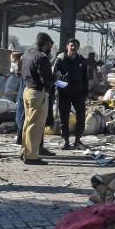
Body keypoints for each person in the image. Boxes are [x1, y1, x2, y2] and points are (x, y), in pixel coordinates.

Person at [20, 33, 55, 165]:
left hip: (27, 90)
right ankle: (31, 156)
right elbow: (46, 80)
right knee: (35, 126)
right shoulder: (42, 57)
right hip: (38, 94)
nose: (50, 47)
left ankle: (24, 151)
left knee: (27, 124)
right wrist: (55, 78)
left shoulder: (27, 54)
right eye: (50, 44)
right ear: (46, 43)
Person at [53, 38, 89, 150]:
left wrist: (86, 92)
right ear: (67, 46)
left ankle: (78, 140)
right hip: (64, 93)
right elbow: (54, 78)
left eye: (76, 46)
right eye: (71, 45)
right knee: (64, 118)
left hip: (78, 93)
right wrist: (60, 88)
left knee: (81, 117)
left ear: (78, 48)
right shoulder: (60, 60)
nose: (73, 48)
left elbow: (85, 78)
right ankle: (66, 140)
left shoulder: (81, 61)